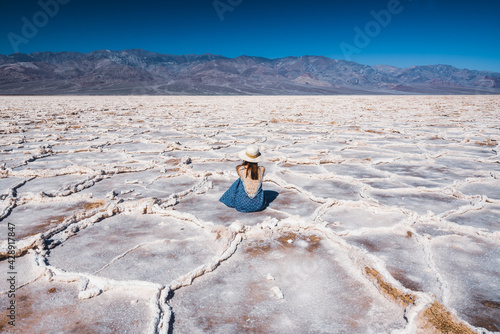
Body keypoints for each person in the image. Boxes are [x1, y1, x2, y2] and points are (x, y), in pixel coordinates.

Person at [219, 145, 266, 212]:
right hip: (259, 205)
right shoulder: (262, 169)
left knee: (239, 181)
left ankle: (230, 199)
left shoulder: (240, 168)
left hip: (241, 206)